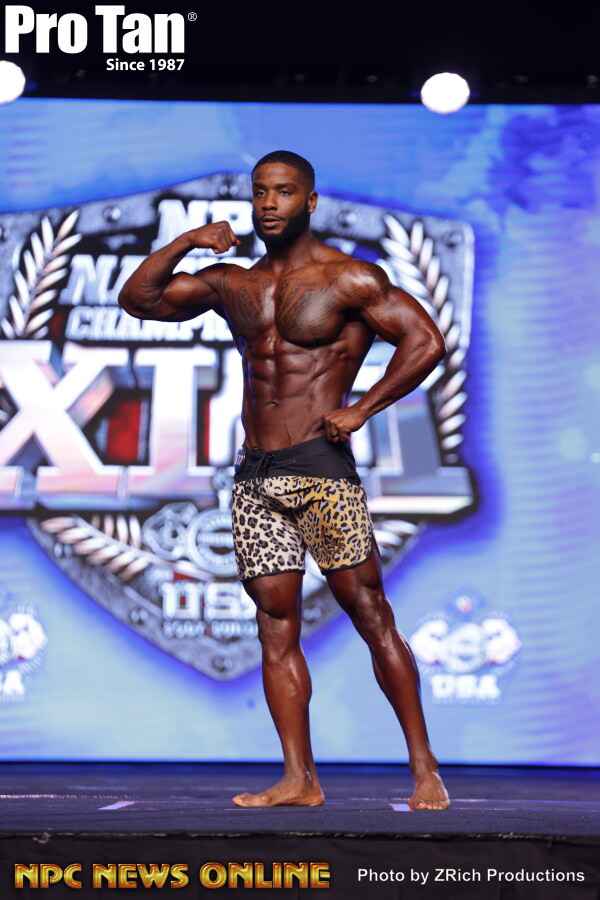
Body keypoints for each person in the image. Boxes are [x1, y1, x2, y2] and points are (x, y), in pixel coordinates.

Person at [118, 150, 450, 810]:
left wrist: (361, 408)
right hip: (256, 476)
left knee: (369, 612)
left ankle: (424, 769)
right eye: (261, 192)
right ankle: (300, 778)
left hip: (322, 471)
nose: (269, 204)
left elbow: (426, 341)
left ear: (310, 201)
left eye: (284, 192)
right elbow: (139, 300)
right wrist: (187, 241)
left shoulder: (349, 278)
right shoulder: (233, 283)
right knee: (274, 623)